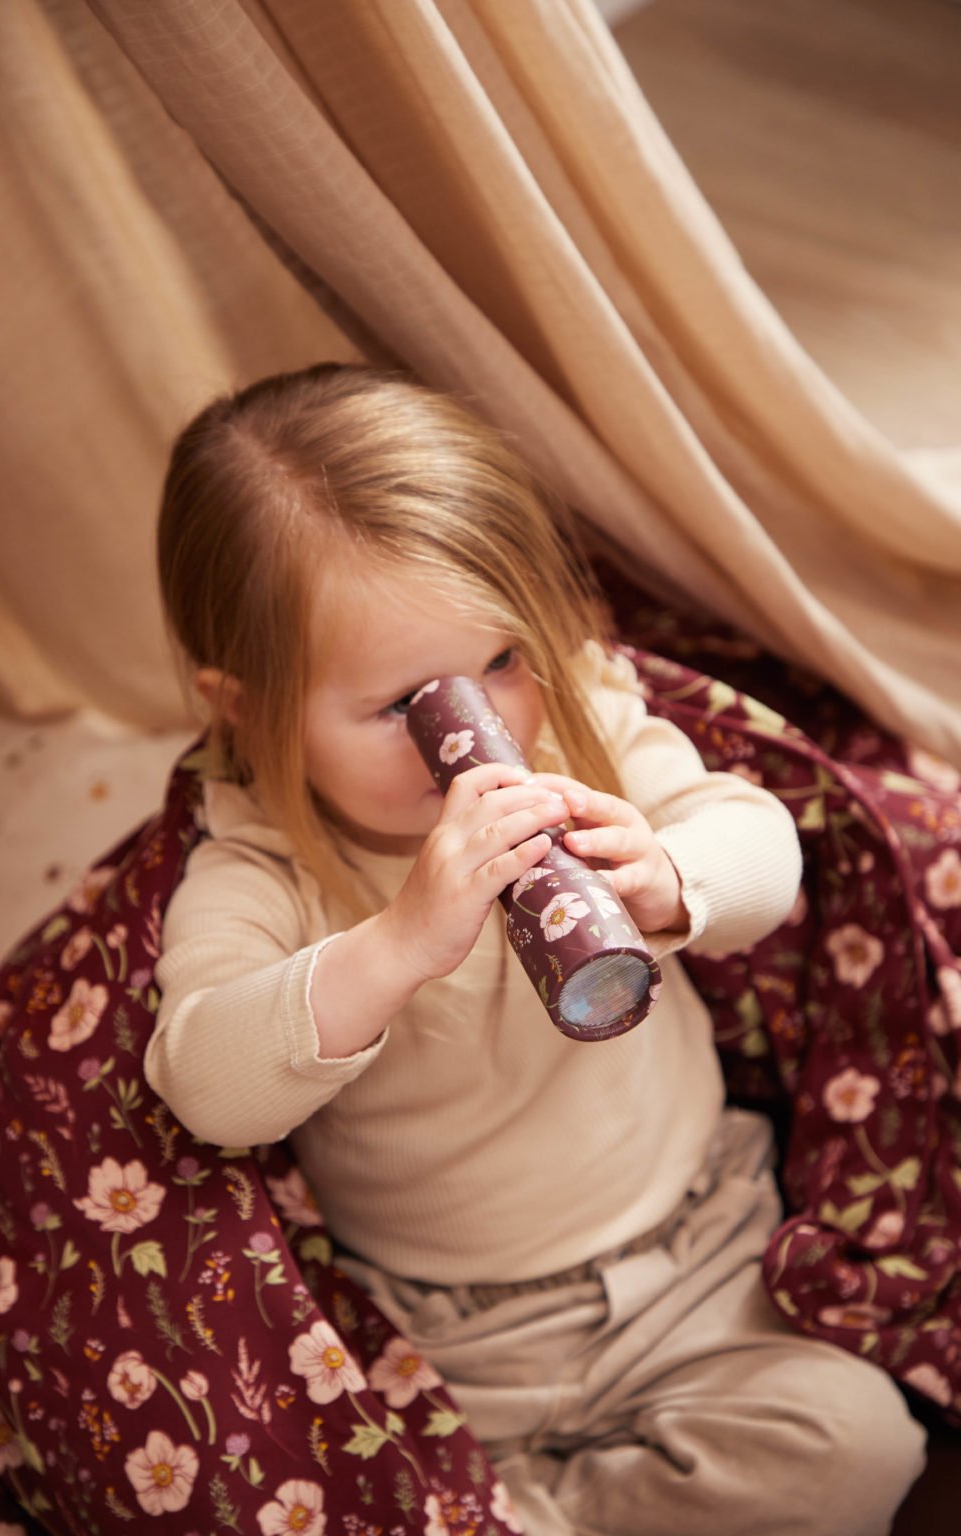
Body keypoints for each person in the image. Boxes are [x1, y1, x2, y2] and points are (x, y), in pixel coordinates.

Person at [145, 362, 925, 1536]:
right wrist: (398, 942)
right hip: (458, 1334)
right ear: (247, 708)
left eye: (503, 659)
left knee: (859, 1447)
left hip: (701, 1256)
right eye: (403, 704)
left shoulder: (579, 729)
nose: (483, 723)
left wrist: (670, 877)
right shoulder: (264, 855)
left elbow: (763, 848)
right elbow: (205, 1081)